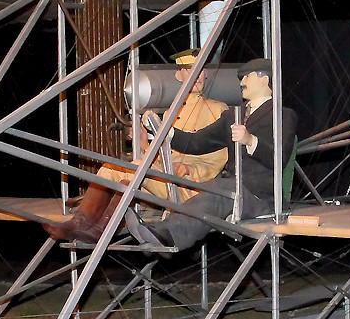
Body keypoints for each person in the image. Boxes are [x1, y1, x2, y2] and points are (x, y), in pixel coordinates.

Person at [44, 51, 229, 243]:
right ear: (179, 75)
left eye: (201, 69)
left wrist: (191, 169)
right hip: (162, 180)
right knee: (111, 169)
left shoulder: (218, 110)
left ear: (206, 74)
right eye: (189, 70)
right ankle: (79, 224)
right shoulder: (170, 113)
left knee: (136, 169)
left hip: (189, 188)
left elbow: (218, 159)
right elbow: (158, 158)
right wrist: (143, 144)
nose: (197, 75)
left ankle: (100, 230)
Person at [125, 58, 296, 252]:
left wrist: (251, 141)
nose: (241, 82)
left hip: (261, 198)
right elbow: (198, 142)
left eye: (247, 76)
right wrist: (167, 131)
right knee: (215, 189)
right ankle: (160, 232)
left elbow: (279, 157)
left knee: (220, 189)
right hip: (235, 189)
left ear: (264, 80)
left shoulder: (282, 115)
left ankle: (168, 236)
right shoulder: (233, 115)